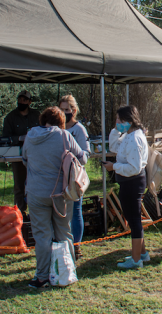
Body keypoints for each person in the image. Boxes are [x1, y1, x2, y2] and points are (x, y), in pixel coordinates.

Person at [22, 106, 86, 288]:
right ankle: (67, 271)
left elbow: (24, 159)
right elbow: (82, 158)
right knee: (64, 232)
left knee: (42, 236)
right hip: (60, 193)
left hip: (36, 193)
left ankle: (41, 276)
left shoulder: (30, 136)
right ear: (61, 122)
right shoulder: (64, 136)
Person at [102, 106, 149, 269]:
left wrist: (113, 167)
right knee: (133, 218)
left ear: (128, 121)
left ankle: (136, 261)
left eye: (119, 121)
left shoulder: (135, 138)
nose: (116, 123)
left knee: (134, 220)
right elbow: (115, 147)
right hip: (129, 181)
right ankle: (142, 254)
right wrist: (116, 130)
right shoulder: (129, 135)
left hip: (132, 181)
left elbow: (134, 168)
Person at [59, 95, 90, 260]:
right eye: (61, 109)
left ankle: (76, 246)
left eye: (67, 109)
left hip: (74, 176)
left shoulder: (79, 129)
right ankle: (63, 244)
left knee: (76, 211)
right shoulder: (57, 128)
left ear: (74, 110)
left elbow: (86, 154)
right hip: (59, 176)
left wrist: (71, 155)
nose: (64, 113)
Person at [2, 90, 41, 215]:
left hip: (36, 155)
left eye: (24, 100)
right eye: (20, 99)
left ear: (29, 102)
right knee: (19, 185)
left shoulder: (37, 115)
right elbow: (5, 138)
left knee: (37, 183)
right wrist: (18, 138)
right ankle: (20, 213)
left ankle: (36, 211)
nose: (21, 102)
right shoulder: (11, 117)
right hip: (18, 155)